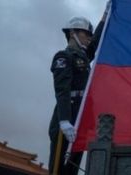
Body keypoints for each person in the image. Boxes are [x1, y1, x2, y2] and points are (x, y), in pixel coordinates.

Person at [48, 7, 108, 174]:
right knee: (58, 169)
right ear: (73, 33)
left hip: (81, 117)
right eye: (85, 34)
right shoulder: (63, 57)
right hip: (67, 117)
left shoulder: (82, 57)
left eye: (89, 34)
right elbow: (62, 90)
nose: (89, 38)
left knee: (73, 168)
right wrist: (64, 121)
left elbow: (95, 42)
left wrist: (104, 17)